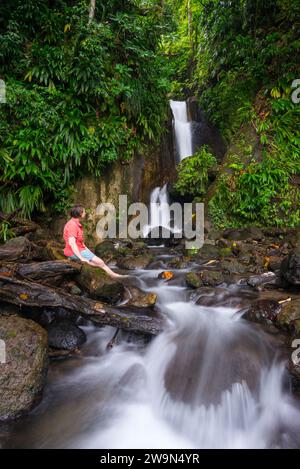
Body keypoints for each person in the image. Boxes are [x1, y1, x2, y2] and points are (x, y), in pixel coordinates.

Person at [63, 204, 125, 279]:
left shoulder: (76, 223)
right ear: (80, 213)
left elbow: (80, 243)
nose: (85, 213)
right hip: (73, 251)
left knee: (97, 263)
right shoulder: (72, 225)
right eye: (84, 212)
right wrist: (81, 257)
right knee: (100, 262)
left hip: (80, 249)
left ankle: (111, 275)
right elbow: (72, 243)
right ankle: (114, 276)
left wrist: (88, 251)